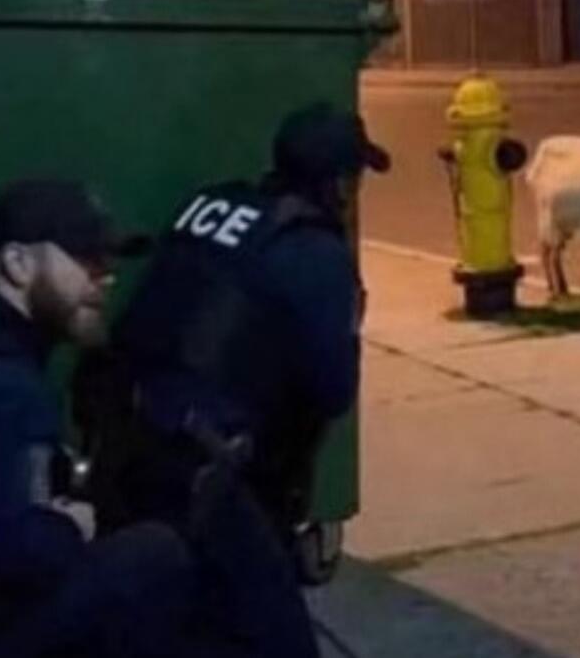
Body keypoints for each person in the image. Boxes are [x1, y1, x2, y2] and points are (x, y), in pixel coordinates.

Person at [79, 102, 391, 658]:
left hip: (125, 444)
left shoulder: (211, 205)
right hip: (209, 479)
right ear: (342, 185)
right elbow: (332, 389)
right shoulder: (313, 251)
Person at [0, 178, 197, 658]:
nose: (106, 277)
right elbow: (12, 553)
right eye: (87, 260)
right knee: (153, 557)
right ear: (17, 264)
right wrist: (71, 526)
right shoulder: (5, 388)